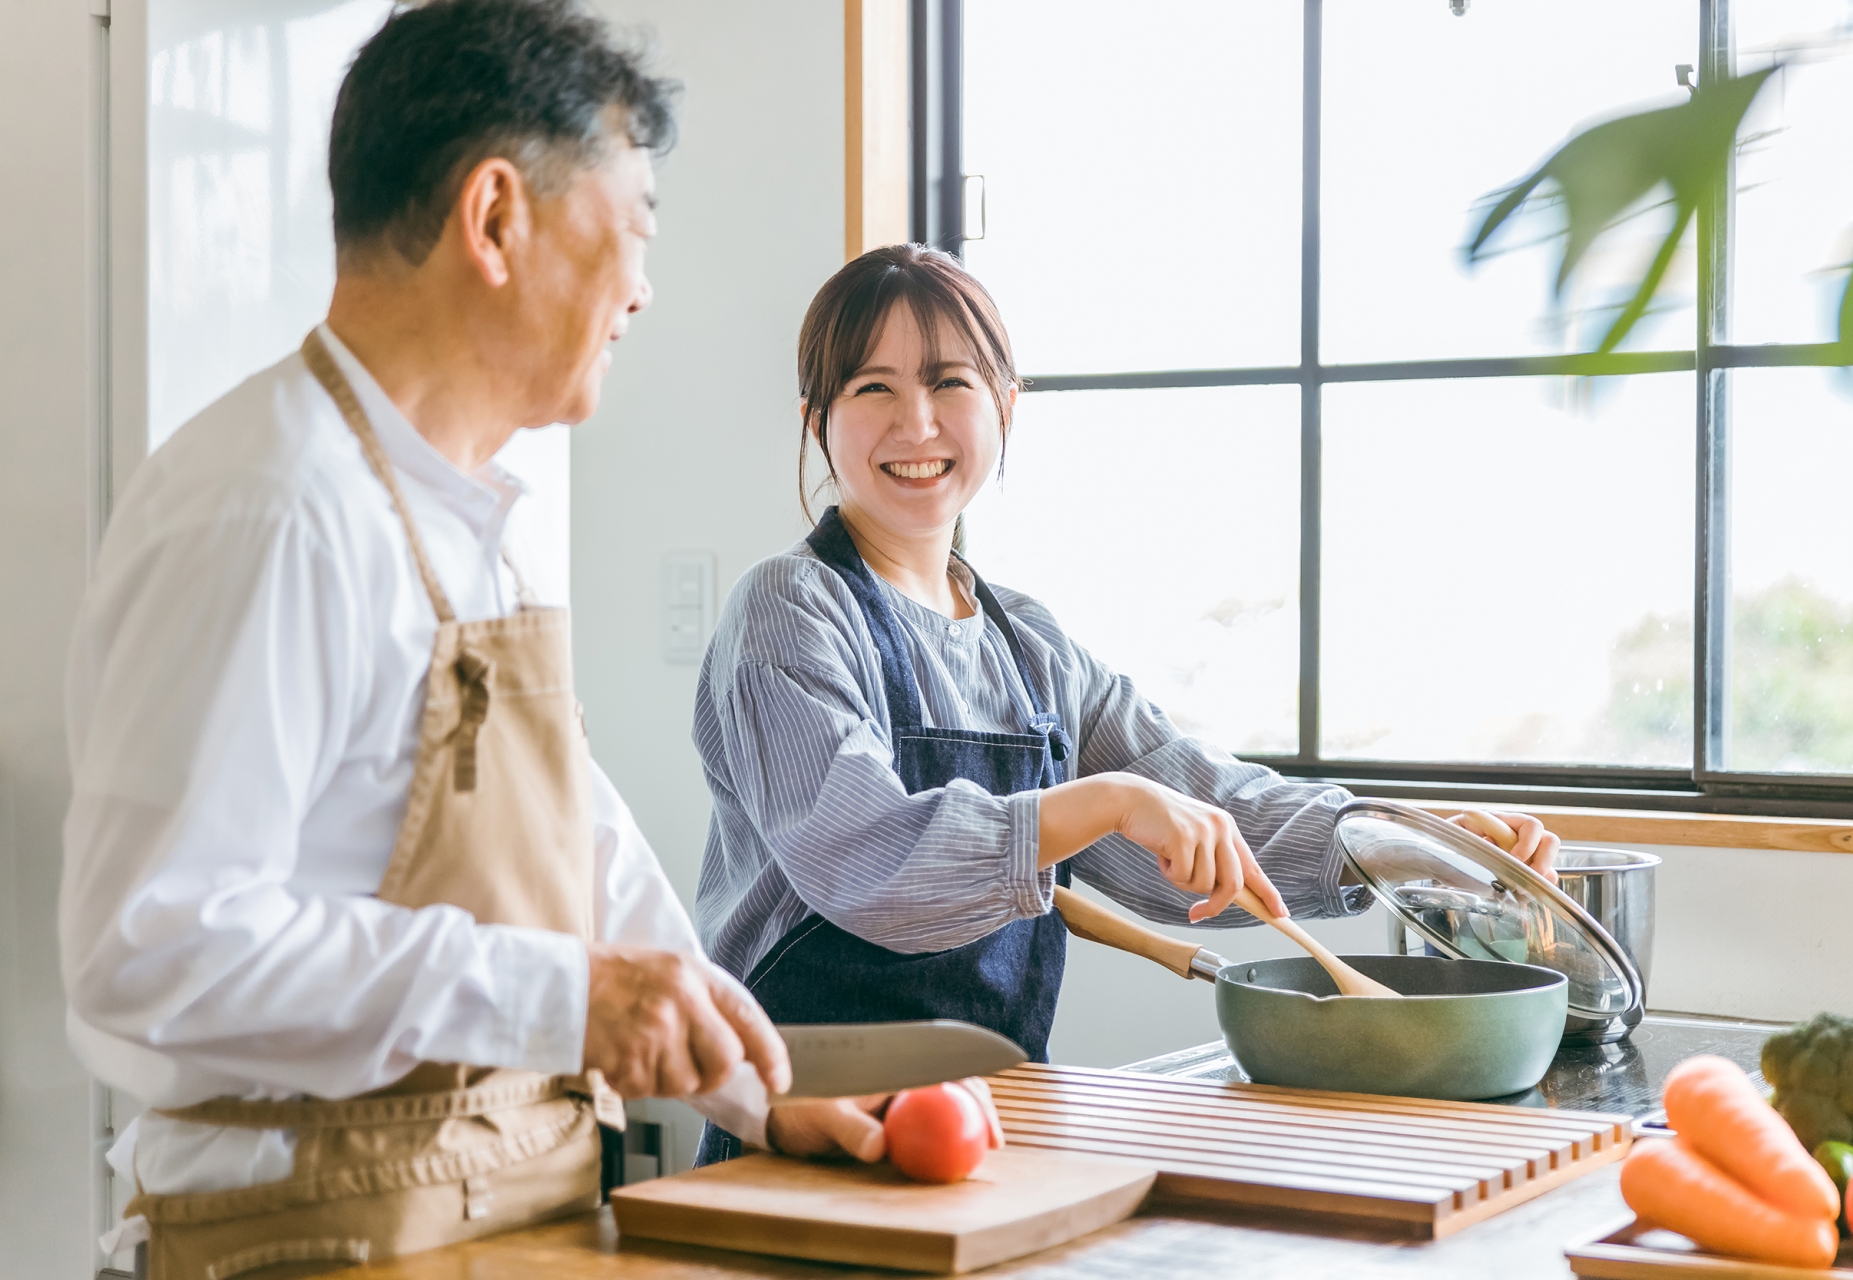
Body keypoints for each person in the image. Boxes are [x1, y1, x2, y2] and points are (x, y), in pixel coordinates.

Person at [60, 3, 789, 1275]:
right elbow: (152, 944)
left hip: (500, 1212)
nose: (642, 288)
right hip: (308, 1239)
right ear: (496, 218)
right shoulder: (274, 503)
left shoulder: (471, 514)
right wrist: (566, 998)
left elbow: (580, 851)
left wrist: (764, 1096)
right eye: (635, 227)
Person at [689, 244, 1561, 1165]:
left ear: (1005, 407)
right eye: (872, 388)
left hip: (990, 1131)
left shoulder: (1030, 645)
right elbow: (869, 860)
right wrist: (1101, 802)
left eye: (950, 382)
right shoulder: (787, 608)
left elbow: (1196, 806)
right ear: (816, 420)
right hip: (800, 1135)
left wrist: (1409, 844)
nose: (916, 421)